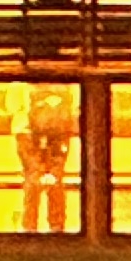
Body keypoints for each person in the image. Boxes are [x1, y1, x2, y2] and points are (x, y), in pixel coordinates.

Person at [9, 82, 79, 234]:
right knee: (37, 180)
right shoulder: (22, 90)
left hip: (55, 132)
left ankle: (51, 226)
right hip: (33, 133)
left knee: (51, 180)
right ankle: (35, 226)